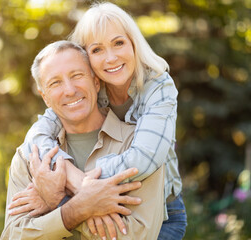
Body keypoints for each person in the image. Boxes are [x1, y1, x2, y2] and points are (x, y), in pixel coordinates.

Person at [13, 2, 187, 239]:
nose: (111, 58)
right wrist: (80, 193)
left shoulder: (158, 87)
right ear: (87, 58)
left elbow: (143, 159)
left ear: (133, 43)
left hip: (164, 212)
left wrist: (70, 184)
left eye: (118, 43)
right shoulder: (91, 87)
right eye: (97, 50)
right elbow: (38, 133)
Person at [1, 40, 166, 239]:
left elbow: (136, 236)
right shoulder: (30, 157)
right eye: (55, 83)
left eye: (77, 75)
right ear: (45, 97)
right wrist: (78, 207)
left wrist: (59, 201)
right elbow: (13, 236)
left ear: (96, 81)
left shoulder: (139, 146)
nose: (70, 90)